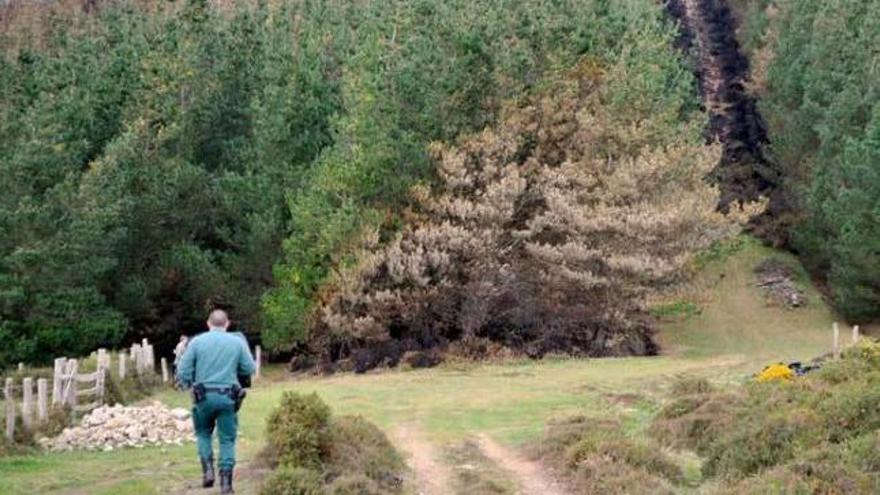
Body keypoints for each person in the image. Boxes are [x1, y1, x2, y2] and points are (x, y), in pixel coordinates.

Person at [176, 310, 255, 494]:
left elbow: (183, 371)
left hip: (202, 397)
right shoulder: (237, 342)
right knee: (227, 439)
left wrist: (190, 384)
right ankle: (226, 484)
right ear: (227, 324)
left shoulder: (197, 342)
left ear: (208, 324)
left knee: (203, 433)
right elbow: (249, 367)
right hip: (228, 397)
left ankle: (208, 472)